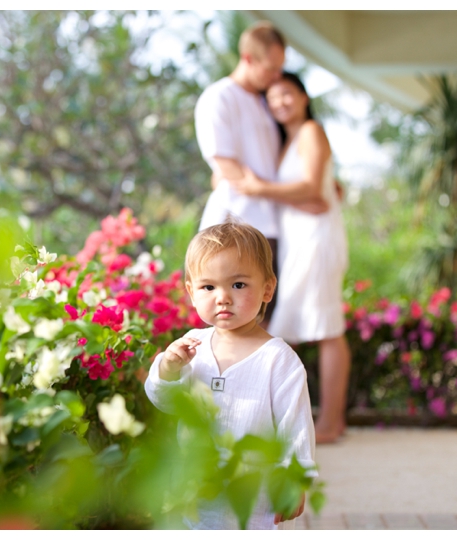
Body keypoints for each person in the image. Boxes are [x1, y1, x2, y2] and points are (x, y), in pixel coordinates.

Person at [144, 222, 316, 530]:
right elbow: (166, 401)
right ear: (191, 292)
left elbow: (296, 424)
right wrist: (168, 369)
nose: (222, 297)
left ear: (267, 288)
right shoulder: (191, 347)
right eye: (208, 287)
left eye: (238, 285)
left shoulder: (278, 360)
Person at [240, 71, 351, 444]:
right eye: (272, 98)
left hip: (317, 238)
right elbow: (320, 189)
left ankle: (331, 423)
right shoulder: (288, 141)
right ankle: (312, 419)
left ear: (303, 96)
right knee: (301, 324)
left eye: (286, 94)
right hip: (299, 238)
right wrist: (316, 195)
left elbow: (310, 186)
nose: (280, 103)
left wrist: (259, 188)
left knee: (327, 327)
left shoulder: (310, 132)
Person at [193, 21, 285, 324]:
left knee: (263, 323)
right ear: (248, 58)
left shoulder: (265, 102)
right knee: (228, 322)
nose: (277, 76)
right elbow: (224, 164)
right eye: (271, 68)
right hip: (234, 225)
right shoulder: (219, 97)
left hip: (271, 227)